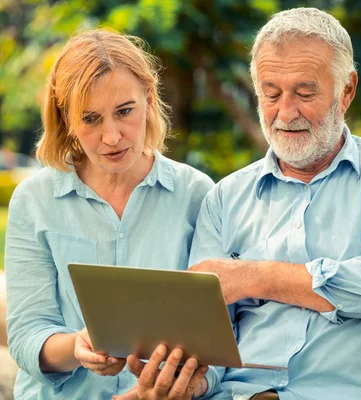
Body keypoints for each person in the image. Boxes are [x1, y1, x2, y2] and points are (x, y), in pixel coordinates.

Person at [126, 7, 361, 400]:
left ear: (347, 90)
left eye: (305, 93)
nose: (285, 113)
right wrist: (193, 383)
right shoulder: (225, 199)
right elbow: (210, 348)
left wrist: (253, 277)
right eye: (270, 94)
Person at [5, 29, 214, 399]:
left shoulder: (196, 195)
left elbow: (220, 334)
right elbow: (26, 335)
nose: (112, 136)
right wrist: (77, 347)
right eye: (91, 119)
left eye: (124, 111)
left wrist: (192, 386)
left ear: (149, 99)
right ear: (66, 120)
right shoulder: (34, 201)